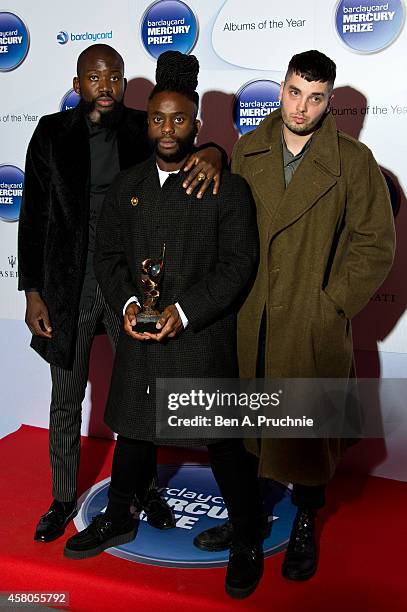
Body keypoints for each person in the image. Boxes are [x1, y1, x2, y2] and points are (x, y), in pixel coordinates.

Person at [64, 50, 264, 600]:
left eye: (180, 119)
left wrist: (181, 314)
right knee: (135, 429)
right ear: (145, 120)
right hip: (139, 336)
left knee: (222, 441)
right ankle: (121, 515)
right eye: (158, 118)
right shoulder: (129, 184)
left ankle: (247, 533)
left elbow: (238, 267)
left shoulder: (229, 188)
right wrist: (128, 303)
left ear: (197, 125)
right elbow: (107, 257)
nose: (168, 129)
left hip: (199, 337)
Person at [194, 50, 395, 580]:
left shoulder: (353, 161)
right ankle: (249, 519)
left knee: (308, 436)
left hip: (309, 320)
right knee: (248, 427)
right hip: (249, 314)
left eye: (315, 97)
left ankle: (306, 520)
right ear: (281, 88)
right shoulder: (248, 150)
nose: (301, 106)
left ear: (330, 100)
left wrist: (331, 305)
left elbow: (375, 244)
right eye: (293, 92)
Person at [18, 43, 223, 544]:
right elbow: (33, 214)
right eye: (95, 78)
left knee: (142, 390)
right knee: (66, 396)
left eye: (114, 78)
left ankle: (144, 491)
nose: (105, 87)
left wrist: (216, 151)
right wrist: (32, 292)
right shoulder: (50, 133)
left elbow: (190, 153)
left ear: (124, 83)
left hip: (132, 283)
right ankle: (63, 497)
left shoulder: (144, 126)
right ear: (78, 84)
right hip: (68, 285)